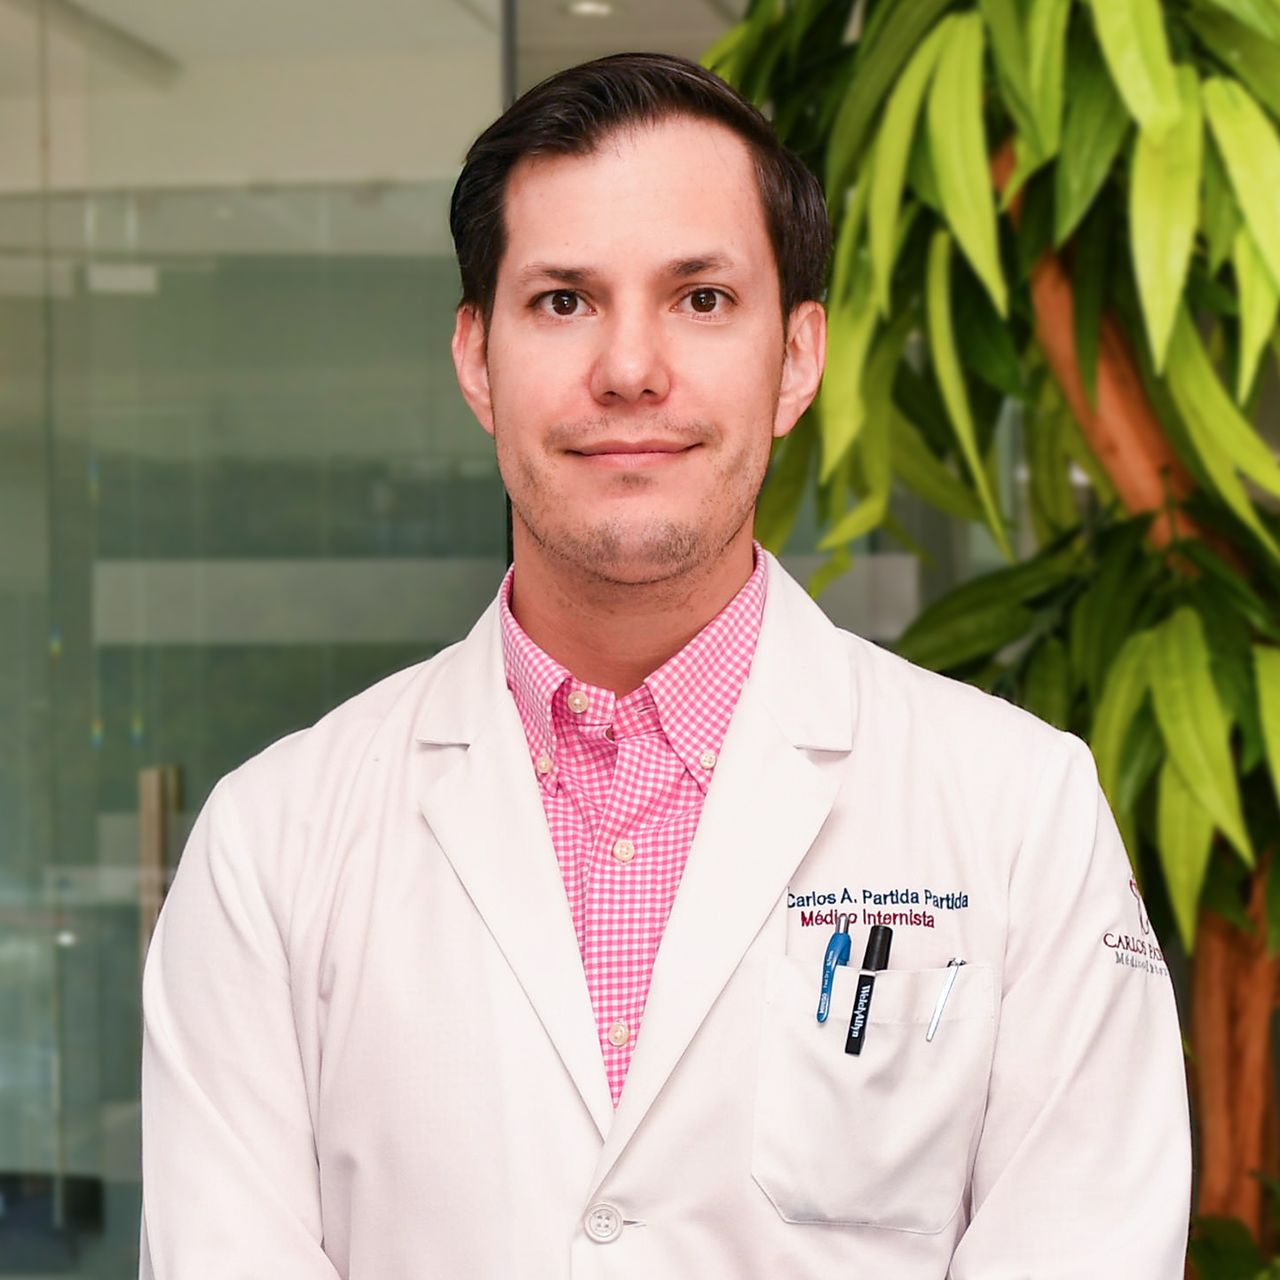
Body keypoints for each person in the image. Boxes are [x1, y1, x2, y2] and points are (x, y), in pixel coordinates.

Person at [138, 51, 1191, 1279]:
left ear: (795, 357)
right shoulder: (271, 844)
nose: (630, 367)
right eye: (562, 301)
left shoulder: (1020, 812)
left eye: (699, 297)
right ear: (476, 359)